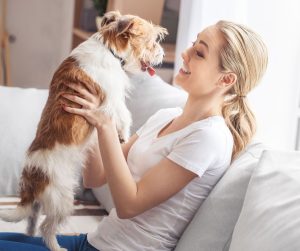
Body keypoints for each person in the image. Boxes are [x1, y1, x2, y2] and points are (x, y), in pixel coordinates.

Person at [0, 20, 268, 251]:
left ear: (226, 80)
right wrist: (89, 115)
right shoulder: (166, 116)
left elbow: (130, 204)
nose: (185, 54)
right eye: (193, 44)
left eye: (199, 53)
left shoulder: (209, 137)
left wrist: (106, 124)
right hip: (93, 242)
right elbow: (95, 177)